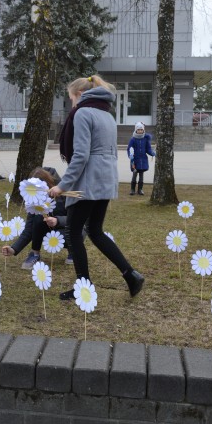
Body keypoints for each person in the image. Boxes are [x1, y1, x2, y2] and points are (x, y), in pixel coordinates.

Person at [49, 75, 145, 300]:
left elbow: (81, 155)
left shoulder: (83, 113)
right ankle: (131, 275)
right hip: (105, 180)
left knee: (73, 232)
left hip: (88, 182)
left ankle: (84, 286)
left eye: (71, 98)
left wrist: (62, 186)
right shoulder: (107, 114)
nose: (72, 103)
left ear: (80, 95)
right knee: (94, 230)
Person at [2, 166, 73, 268]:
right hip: (51, 233)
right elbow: (29, 228)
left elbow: (76, 220)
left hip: (71, 230)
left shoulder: (67, 192)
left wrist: (58, 221)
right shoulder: (35, 200)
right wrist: (14, 249)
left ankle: (73, 249)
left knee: (74, 232)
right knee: (38, 218)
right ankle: (35, 253)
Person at [127, 122, 156, 196]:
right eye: (138, 130)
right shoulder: (133, 139)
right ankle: (132, 189)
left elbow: (148, 149)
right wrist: (130, 155)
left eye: (141, 130)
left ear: (143, 130)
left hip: (143, 160)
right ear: (136, 130)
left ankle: (140, 189)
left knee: (141, 175)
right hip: (135, 160)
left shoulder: (145, 139)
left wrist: (152, 153)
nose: (140, 131)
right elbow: (129, 149)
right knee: (134, 174)